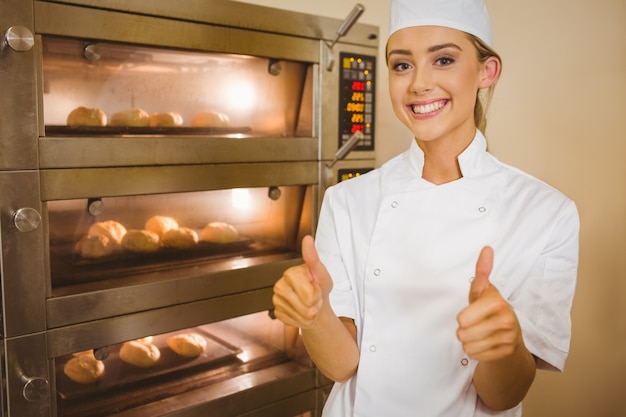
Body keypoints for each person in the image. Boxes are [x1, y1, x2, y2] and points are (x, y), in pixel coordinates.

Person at [272, 0, 579, 415]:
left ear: (486, 72)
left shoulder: (546, 214)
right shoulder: (347, 201)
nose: (419, 83)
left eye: (444, 59)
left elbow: (503, 396)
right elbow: (342, 365)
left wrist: (504, 346)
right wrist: (313, 315)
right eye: (402, 65)